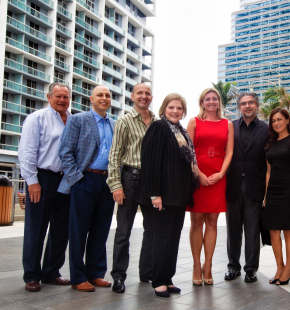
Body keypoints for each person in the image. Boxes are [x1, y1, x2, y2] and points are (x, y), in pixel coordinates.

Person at [140, 93, 198, 297]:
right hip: (163, 195)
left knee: (173, 238)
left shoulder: (181, 131)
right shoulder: (159, 127)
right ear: (164, 108)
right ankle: (158, 280)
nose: (175, 111)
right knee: (162, 238)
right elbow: (150, 162)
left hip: (179, 196)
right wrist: (155, 194)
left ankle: (168, 277)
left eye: (179, 108)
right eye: (171, 107)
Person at [58, 86, 116, 292]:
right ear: (91, 99)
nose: (104, 98)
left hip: (107, 182)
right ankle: (78, 276)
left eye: (107, 96)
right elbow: (65, 152)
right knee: (78, 230)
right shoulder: (78, 120)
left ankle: (96, 273)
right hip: (85, 179)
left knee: (100, 229)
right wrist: (76, 180)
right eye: (100, 95)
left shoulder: (114, 124)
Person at [18, 82, 72, 292]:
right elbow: (27, 151)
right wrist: (32, 181)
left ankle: (51, 272)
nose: (62, 100)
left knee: (61, 229)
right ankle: (31, 275)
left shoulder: (72, 120)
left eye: (65, 97)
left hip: (65, 180)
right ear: (49, 97)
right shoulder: (37, 118)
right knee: (36, 229)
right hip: (42, 178)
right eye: (58, 96)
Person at [107, 83, 157, 293]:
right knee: (123, 231)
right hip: (129, 178)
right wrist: (116, 184)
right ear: (132, 96)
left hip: (151, 181)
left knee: (152, 230)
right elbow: (115, 154)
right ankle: (118, 276)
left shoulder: (157, 122)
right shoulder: (124, 120)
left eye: (147, 93)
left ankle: (146, 273)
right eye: (140, 93)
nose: (144, 96)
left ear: (151, 97)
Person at [186, 88, 234, 285]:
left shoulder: (227, 124)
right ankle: (197, 265)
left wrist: (221, 174)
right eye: (208, 99)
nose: (212, 101)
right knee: (196, 221)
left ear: (219, 102)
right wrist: (198, 174)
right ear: (202, 102)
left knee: (212, 222)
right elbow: (187, 151)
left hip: (218, 176)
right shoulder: (193, 122)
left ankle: (208, 265)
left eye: (215, 99)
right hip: (197, 175)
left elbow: (229, 152)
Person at [224, 92, 269, 283]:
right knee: (233, 230)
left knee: (252, 230)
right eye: (243, 103)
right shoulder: (229, 127)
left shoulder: (266, 129)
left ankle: (251, 269)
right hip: (232, 185)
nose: (247, 106)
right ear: (239, 107)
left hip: (254, 186)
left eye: (251, 102)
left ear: (257, 105)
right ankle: (233, 267)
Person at [263, 107, 290, 286]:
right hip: (273, 190)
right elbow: (268, 171)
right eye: (273, 121)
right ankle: (279, 267)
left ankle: (288, 267)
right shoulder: (270, 144)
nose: (276, 123)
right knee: (273, 230)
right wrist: (266, 195)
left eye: (280, 119)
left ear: (288, 120)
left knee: (288, 229)